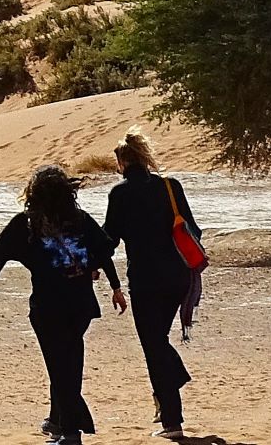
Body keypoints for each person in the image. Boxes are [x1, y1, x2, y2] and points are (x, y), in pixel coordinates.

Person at [0, 164, 122, 445]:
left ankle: (72, 431)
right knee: (69, 361)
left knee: (59, 366)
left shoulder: (27, 223)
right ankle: (57, 421)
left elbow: (0, 254)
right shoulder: (80, 220)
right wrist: (111, 283)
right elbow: (105, 249)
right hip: (81, 304)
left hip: (48, 307)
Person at [100, 130, 201, 438]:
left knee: (153, 345)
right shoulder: (171, 186)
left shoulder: (120, 194)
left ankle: (173, 419)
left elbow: (110, 238)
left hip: (145, 280)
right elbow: (194, 228)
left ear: (124, 160)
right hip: (178, 277)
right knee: (157, 341)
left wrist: (91, 261)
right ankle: (170, 414)